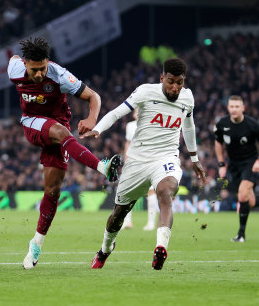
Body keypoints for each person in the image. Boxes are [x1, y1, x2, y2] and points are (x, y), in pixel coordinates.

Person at [82, 58, 206, 270]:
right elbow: (116, 112)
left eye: (180, 82)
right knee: (118, 214)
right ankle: (105, 249)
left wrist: (194, 159)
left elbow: (189, 127)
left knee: (166, 191)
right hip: (137, 160)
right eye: (170, 82)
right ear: (162, 78)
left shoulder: (187, 98)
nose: (175, 87)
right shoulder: (145, 92)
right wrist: (99, 129)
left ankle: (160, 248)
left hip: (166, 158)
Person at [8, 37, 121, 270]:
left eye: (42, 69)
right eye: (34, 69)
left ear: (48, 62)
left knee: (53, 190)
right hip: (32, 123)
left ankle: (36, 244)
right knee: (60, 132)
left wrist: (91, 119)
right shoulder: (15, 69)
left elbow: (94, 97)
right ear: (26, 64)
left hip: (59, 127)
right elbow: (13, 58)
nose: (38, 74)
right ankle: (102, 167)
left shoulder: (59, 75)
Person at [214, 95, 259, 243]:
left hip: (250, 163)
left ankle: (241, 234)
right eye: (231, 107)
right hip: (234, 165)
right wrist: (221, 164)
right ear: (228, 108)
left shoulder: (252, 125)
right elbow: (218, 143)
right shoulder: (222, 124)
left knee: (242, 196)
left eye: (237, 107)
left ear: (243, 108)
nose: (234, 110)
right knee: (249, 201)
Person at [120, 108, 158, 231]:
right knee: (128, 190)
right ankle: (127, 221)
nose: (135, 114)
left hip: (148, 161)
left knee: (150, 191)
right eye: (135, 112)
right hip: (133, 161)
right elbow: (128, 143)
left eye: (138, 112)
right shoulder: (130, 126)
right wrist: (126, 159)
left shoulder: (151, 125)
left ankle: (151, 223)